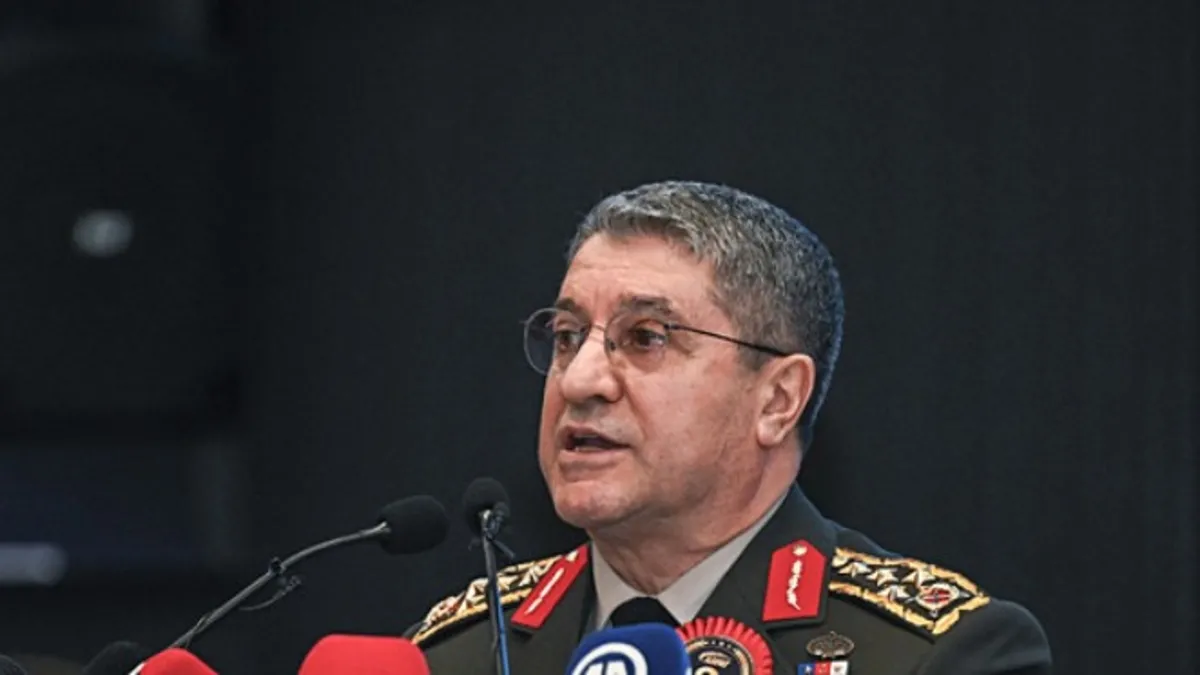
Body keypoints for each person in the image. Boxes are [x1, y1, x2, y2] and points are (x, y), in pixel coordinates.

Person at [405, 181, 1052, 675]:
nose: (580, 380)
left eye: (647, 337)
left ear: (777, 400)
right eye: (569, 336)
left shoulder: (934, 656)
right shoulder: (453, 655)